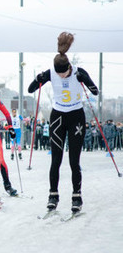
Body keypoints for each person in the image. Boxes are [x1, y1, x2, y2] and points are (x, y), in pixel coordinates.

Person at [28, 32, 98, 213]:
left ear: (69, 67)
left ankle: (77, 196)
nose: (61, 76)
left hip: (76, 117)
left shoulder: (78, 72)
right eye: (58, 74)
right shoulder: (51, 73)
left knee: (74, 160)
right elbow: (30, 89)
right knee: (55, 160)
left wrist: (86, 80)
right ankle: (53, 195)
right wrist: (37, 80)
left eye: (64, 73)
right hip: (58, 117)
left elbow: (95, 91)